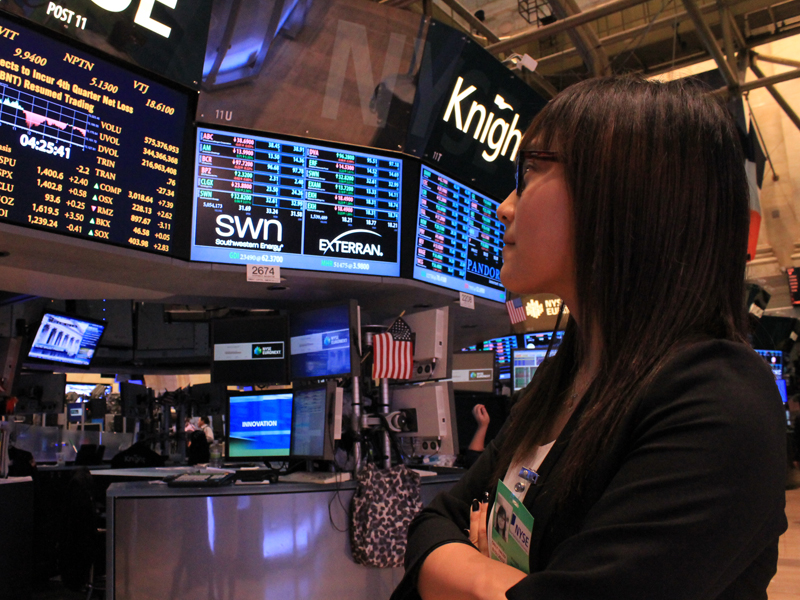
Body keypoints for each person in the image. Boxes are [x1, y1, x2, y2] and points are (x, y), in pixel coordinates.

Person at [392, 76, 787, 600]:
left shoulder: (718, 401)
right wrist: (505, 583)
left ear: (626, 193)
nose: (506, 206)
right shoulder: (567, 380)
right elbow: (429, 526)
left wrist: (465, 566)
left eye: (530, 172)